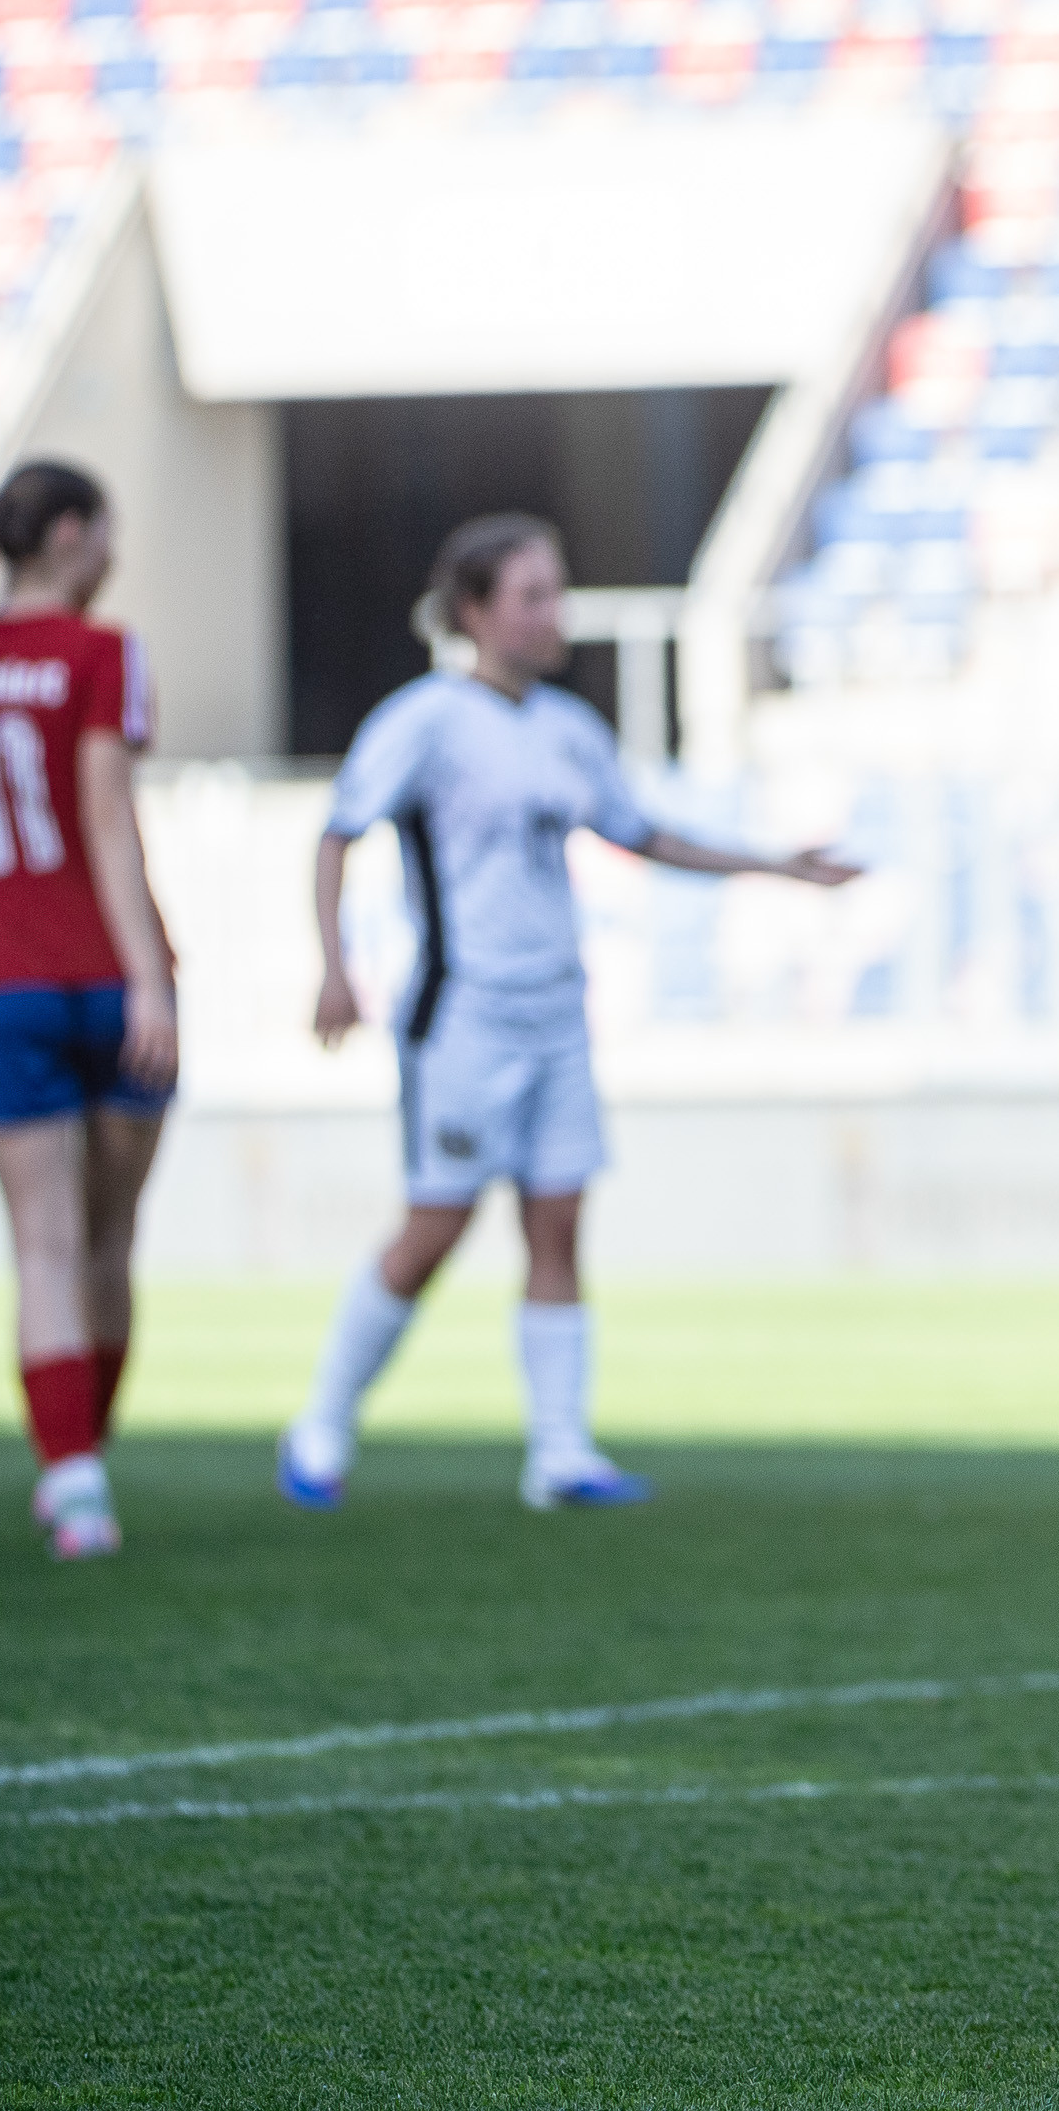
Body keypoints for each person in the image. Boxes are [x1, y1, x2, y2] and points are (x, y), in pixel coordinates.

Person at [275, 515, 855, 1513]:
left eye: (557, 592)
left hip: (556, 1016)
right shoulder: (426, 720)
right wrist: (335, 967)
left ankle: (560, 1454)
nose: (555, 614)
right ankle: (323, 1421)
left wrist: (776, 865)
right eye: (532, 595)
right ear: (473, 611)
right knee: (434, 1228)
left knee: (558, 1223)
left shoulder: (566, 729)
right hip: (463, 1016)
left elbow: (643, 835)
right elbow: (337, 833)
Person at [0, 461, 175, 1562]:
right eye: (106, 531)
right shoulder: (99, 652)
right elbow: (108, 823)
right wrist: (151, 976)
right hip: (107, 978)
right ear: (69, 534)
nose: (113, 552)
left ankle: (74, 1487)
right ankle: (84, 1456)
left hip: (2, 982)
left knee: (45, 1249)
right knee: (108, 1243)